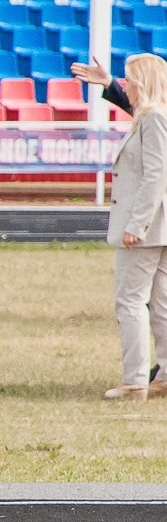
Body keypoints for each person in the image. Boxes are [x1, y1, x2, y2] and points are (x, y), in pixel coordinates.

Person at [102, 54, 167, 399]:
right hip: (160, 227)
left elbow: (155, 175)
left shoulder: (154, 118)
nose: (125, 86)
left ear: (142, 82)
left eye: (128, 79)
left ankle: (135, 378)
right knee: (161, 303)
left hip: (148, 228)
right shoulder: (157, 116)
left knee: (130, 301)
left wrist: (137, 224)